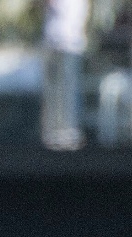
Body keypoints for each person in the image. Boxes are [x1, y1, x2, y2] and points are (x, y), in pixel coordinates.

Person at [41, 0, 90, 150]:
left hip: (69, 44)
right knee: (53, 92)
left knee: (68, 91)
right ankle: (53, 133)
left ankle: (68, 132)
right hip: (53, 44)